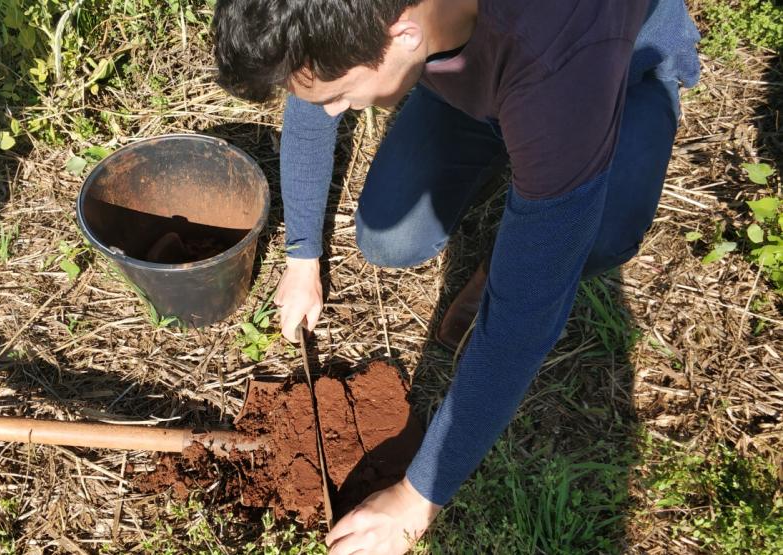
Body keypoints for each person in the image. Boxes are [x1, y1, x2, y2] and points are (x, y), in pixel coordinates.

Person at [213, 0, 700, 552]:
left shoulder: (559, 66)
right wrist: (302, 254)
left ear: (404, 35)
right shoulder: (365, 26)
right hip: (473, 77)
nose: (332, 114)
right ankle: (510, 151)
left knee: (594, 238)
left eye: (339, 96)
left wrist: (417, 500)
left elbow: (523, 319)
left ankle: (527, 224)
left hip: (614, 80)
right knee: (390, 239)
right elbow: (310, 73)